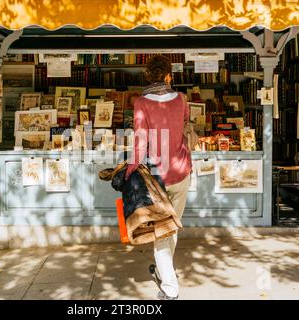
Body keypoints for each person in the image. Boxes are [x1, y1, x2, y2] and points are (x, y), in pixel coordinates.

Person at [125, 55, 192, 300]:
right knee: (170, 229)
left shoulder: (141, 102)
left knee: (162, 231)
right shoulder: (182, 99)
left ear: (148, 76)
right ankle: (166, 272)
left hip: (157, 177)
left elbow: (140, 141)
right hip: (182, 171)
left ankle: (170, 287)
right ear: (168, 75)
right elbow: (184, 126)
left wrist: (131, 169)